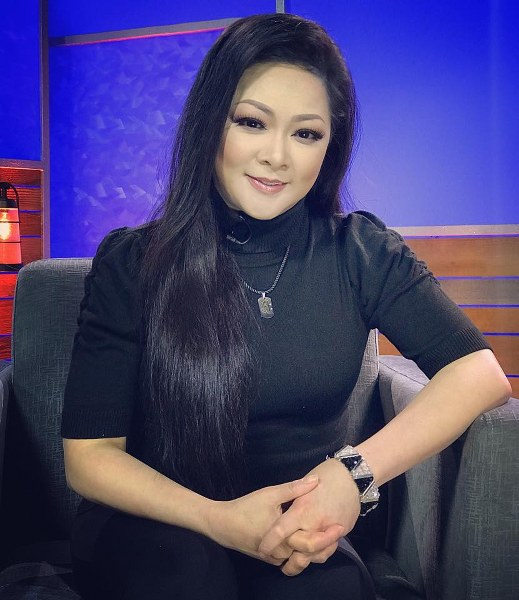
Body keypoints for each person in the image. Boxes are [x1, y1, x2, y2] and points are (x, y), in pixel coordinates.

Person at [61, 12, 511, 600]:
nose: (277, 155)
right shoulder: (132, 262)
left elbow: (478, 372)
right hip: (158, 523)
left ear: (330, 146)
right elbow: (90, 458)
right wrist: (218, 520)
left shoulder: (360, 252)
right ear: (209, 123)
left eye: (306, 134)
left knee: (332, 590)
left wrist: (352, 476)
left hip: (294, 528)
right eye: (252, 122)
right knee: (188, 577)